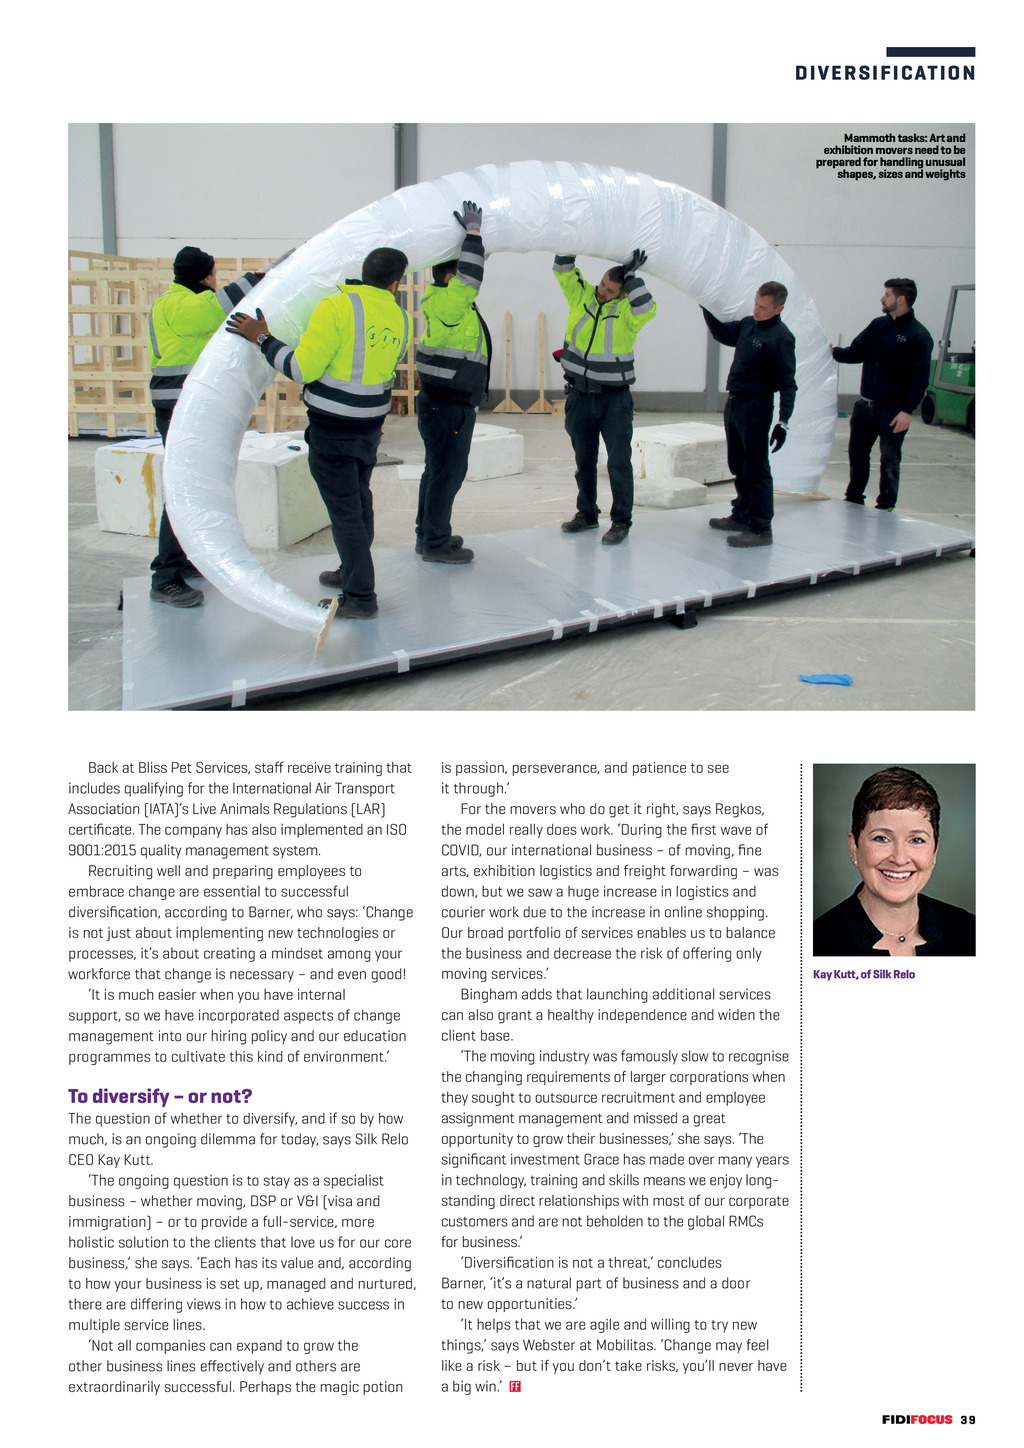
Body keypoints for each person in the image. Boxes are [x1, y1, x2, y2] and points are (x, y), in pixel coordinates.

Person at [227, 248, 410, 620]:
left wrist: (262, 338)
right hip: (370, 426)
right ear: (395, 284)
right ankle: (351, 570)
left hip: (333, 427)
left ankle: (360, 596)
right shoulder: (401, 317)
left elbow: (301, 369)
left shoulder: (336, 307)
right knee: (358, 500)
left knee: (345, 511)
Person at [148, 246, 264, 605]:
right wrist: (261, 275)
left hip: (182, 403)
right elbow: (219, 305)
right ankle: (165, 575)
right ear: (206, 276)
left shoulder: (171, 302)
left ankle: (182, 561)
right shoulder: (182, 305)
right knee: (185, 488)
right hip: (180, 404)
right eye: (213, 274)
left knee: (193, 483)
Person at [553, 249, 657, 545]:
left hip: (614, 400)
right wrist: (570, 240)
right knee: (584, 461)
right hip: (579, 396)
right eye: (602, 285)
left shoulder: (628, 312)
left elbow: (647, 306)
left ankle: (621, 521)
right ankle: (587, 513)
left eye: (610, 290)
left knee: (618, 463)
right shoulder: (582, 296)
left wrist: (632, 277)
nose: (602, 292)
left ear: (622, 293)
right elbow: (562, 270)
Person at [813, 767, 975, 957]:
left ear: (935, 851)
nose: (899, 859)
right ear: (854, 847)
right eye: (882, 838)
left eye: (916, 840)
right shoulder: (814, 944)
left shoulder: (970, 932)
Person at [413, 200, 490, 563]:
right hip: (448, 406)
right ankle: (435, 543)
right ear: (450, 278)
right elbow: (471, 277)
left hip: (441, 402)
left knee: (436, 470)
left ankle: (427, 533)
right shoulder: (450, 303)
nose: (468, 283)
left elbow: (471, 274)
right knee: (447, 474)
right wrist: (473, 233)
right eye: (459, 275)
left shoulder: (446, 303)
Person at [701, 282, 796, 547]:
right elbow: (722, 333)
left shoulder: (781, 337)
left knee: (756, 468)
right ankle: (742, 515)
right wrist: (705, 306)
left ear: (778, 309)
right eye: (755, 303)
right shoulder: (747, 324)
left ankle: (761, 528)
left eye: (763, 307)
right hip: (735, 403)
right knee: (738, 463)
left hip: (756, 406)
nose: (756, 310)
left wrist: (783, 422)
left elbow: (788, 383)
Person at [831, 279, 934, 511]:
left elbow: (919, 380)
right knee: (857, 454)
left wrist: (907, 411)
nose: (882, 299)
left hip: (893, 411)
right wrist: (833, 352)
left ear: (901, 299)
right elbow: (856, 353)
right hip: (865, 407)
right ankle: (854, 497)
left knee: (889, 460)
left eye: (887, 295)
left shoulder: (918, 336)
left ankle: (886, 505)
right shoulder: (878, 326)